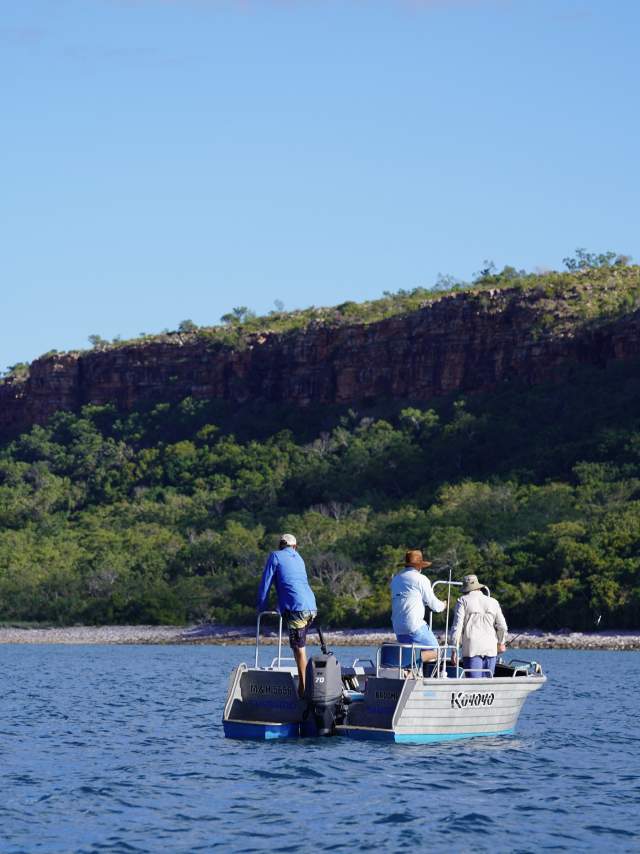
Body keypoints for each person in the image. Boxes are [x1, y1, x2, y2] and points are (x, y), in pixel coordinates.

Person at [257, 533, 317, 697]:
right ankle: (305, 685)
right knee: (299, 645)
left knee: (299, 648)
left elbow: (265, 583)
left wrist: (261, 607)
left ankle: (304, 690)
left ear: (280, 545)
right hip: (311, 607)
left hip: (297, 608)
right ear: (294, 546)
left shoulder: (275, 556)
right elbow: (292, 583)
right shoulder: (299, 558)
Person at [390, 550, 446, 664]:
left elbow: (408, 598)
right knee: (437, 650)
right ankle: (411, 664)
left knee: (408, 652)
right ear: (420, 566)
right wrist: (444, 605)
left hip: (398, 627)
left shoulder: (396, 579)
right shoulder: (421, 579)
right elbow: (435, 605)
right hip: (414, 625)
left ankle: (410, 671)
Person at [449, 574, 507, 678]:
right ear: (479, 587)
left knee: (474, 685)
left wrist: (454, 650)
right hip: (490, 649)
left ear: (465, 589)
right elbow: (502, 626)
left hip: (472, 649)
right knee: (487, 685)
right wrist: (501, 642)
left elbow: (457, 627)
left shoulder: (462, 601)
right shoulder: (493, 601)